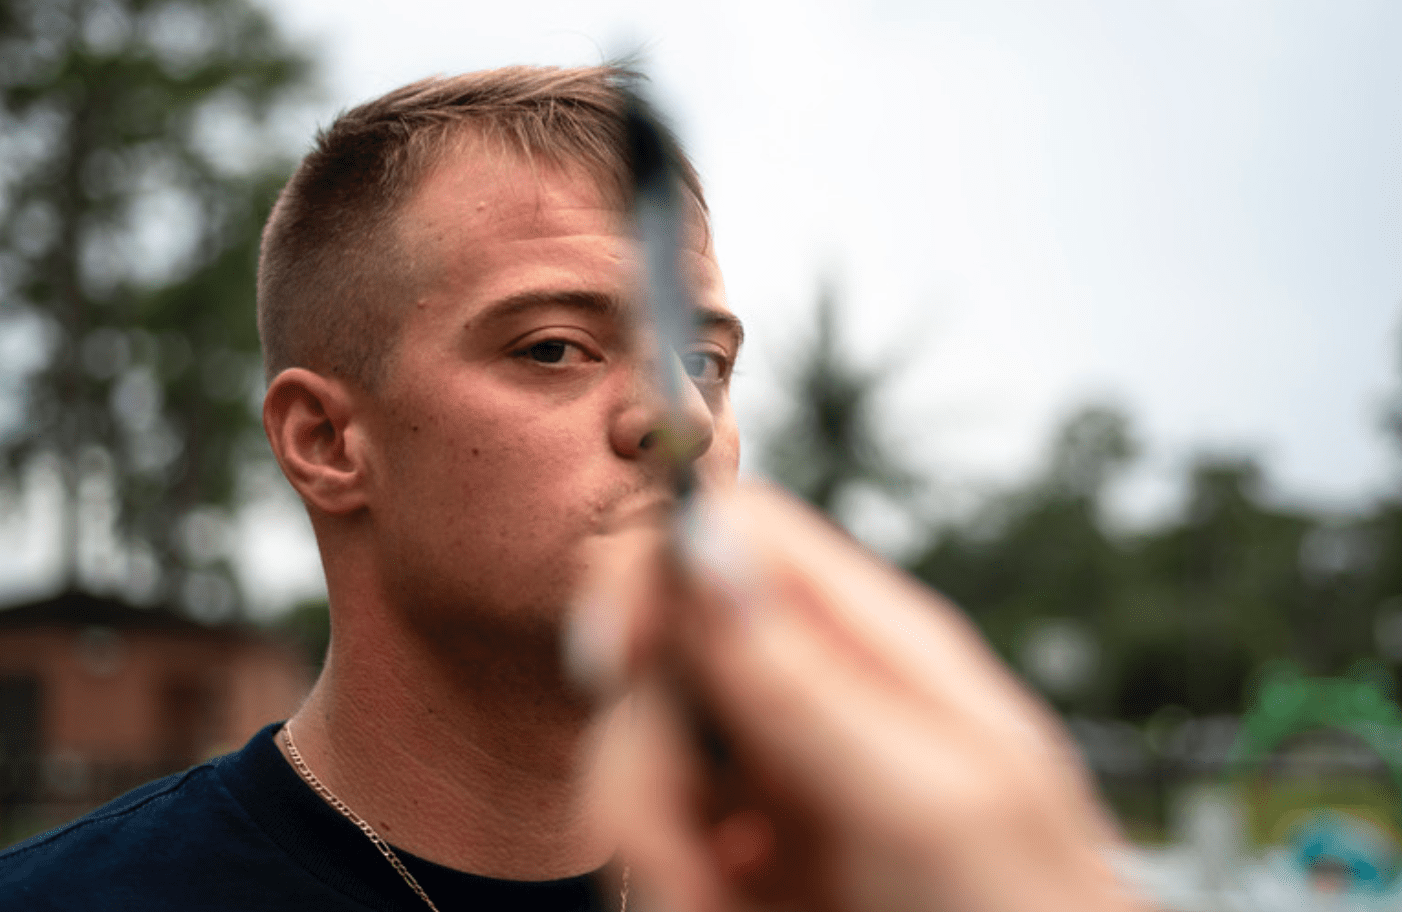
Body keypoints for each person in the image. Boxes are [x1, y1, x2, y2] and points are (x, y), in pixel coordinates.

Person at [0, 65, 1145, 912]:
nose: (682, 419)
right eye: (553, 348)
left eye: (704, 361)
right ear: (328, 442)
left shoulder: (864, 884)